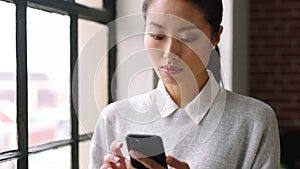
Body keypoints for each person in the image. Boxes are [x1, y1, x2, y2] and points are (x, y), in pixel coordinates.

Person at [89, 0, 280, 168]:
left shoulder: (254, 120)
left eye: (187, 38)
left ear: (216, 37)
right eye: (157, 36)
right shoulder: (114, 118)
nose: (170, 53)